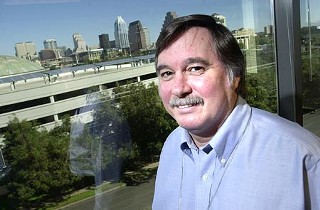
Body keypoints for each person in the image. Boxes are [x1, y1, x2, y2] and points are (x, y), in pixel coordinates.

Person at [152, 14, 320, 210]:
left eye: (195, 68)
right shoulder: (171, 147)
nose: (179, 89)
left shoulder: (300, 155)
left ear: (234, 76)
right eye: (167, 74)